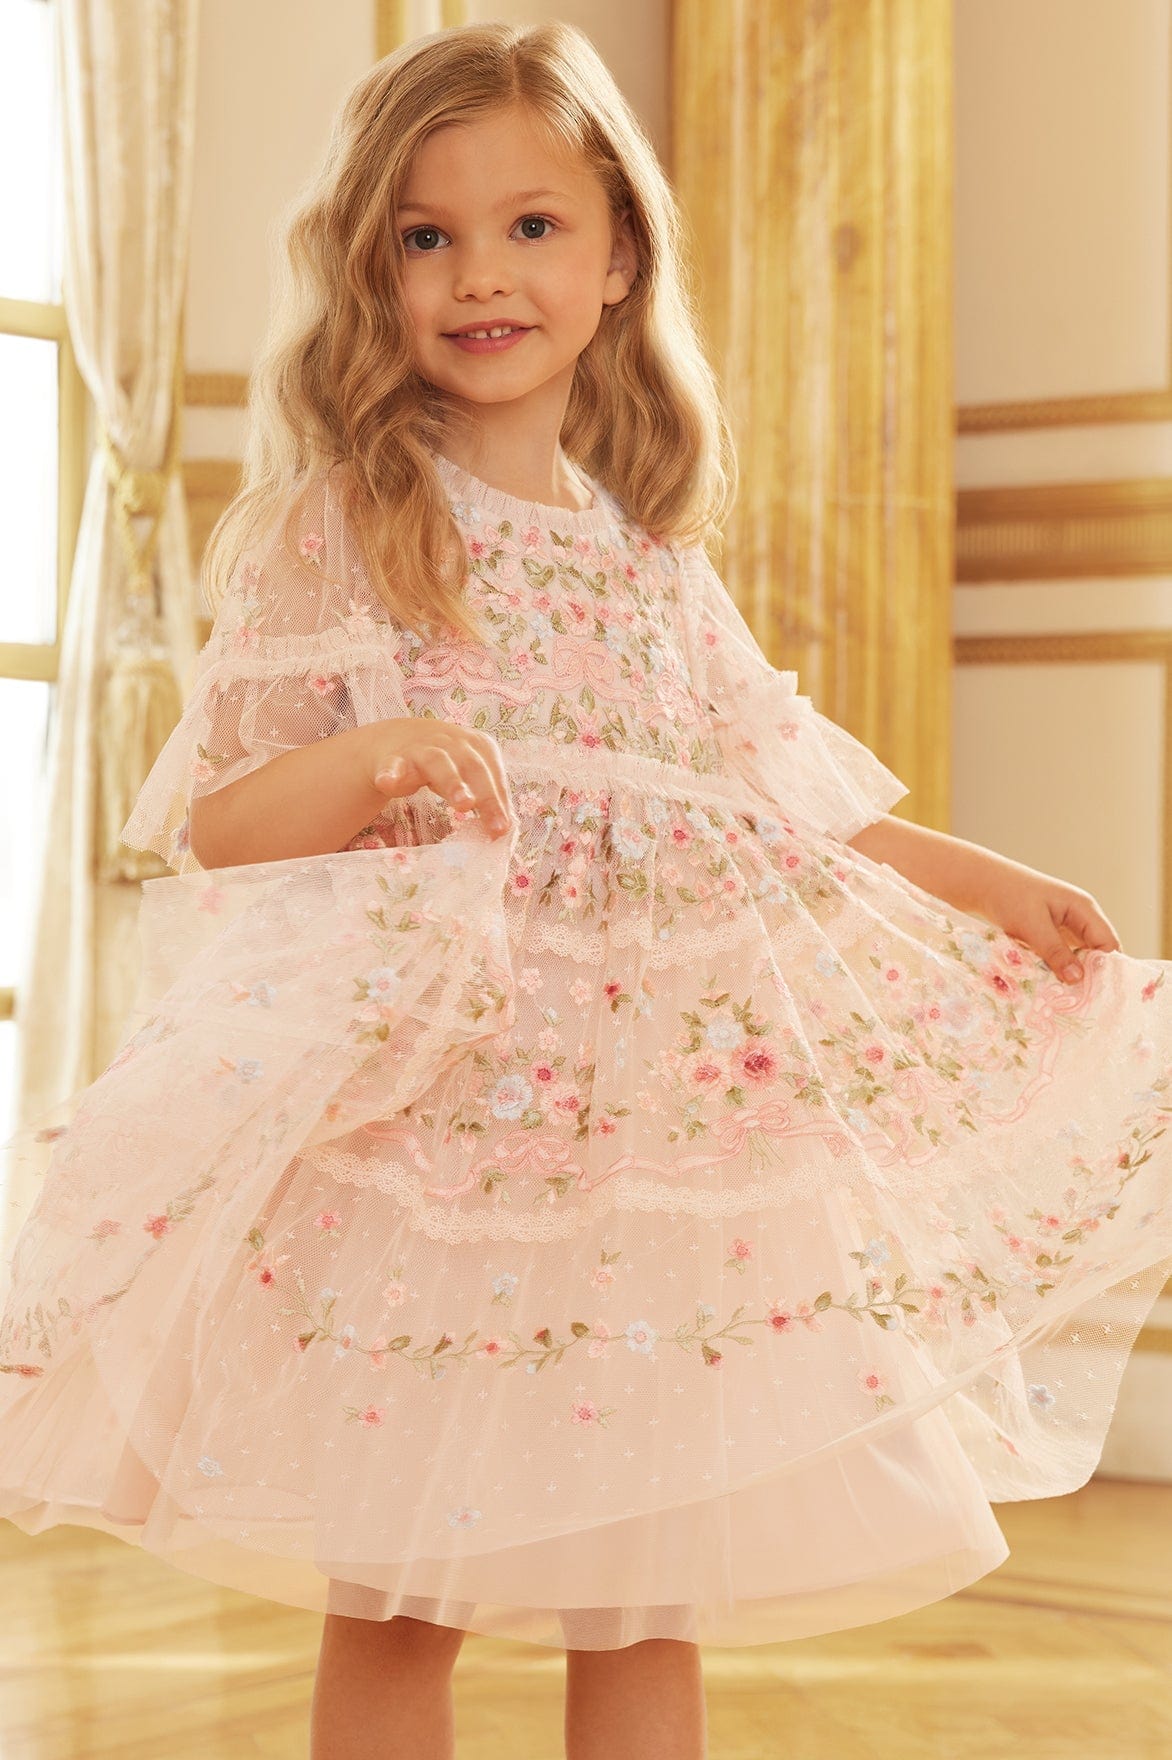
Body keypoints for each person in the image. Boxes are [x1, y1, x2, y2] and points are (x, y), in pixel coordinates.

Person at [1, 18, 1169, 1760]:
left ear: (618, 255)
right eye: (429, 235)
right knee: (401, 1589)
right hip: (443, 1139)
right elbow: (225, 821)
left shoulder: (649, 555)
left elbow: (779, 784)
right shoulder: (347, 526)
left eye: (532, 226)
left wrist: (987, 882)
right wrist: (380, 755)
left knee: (648, 1582)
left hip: (654, 1146)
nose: (482, 273)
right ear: (375, 269)